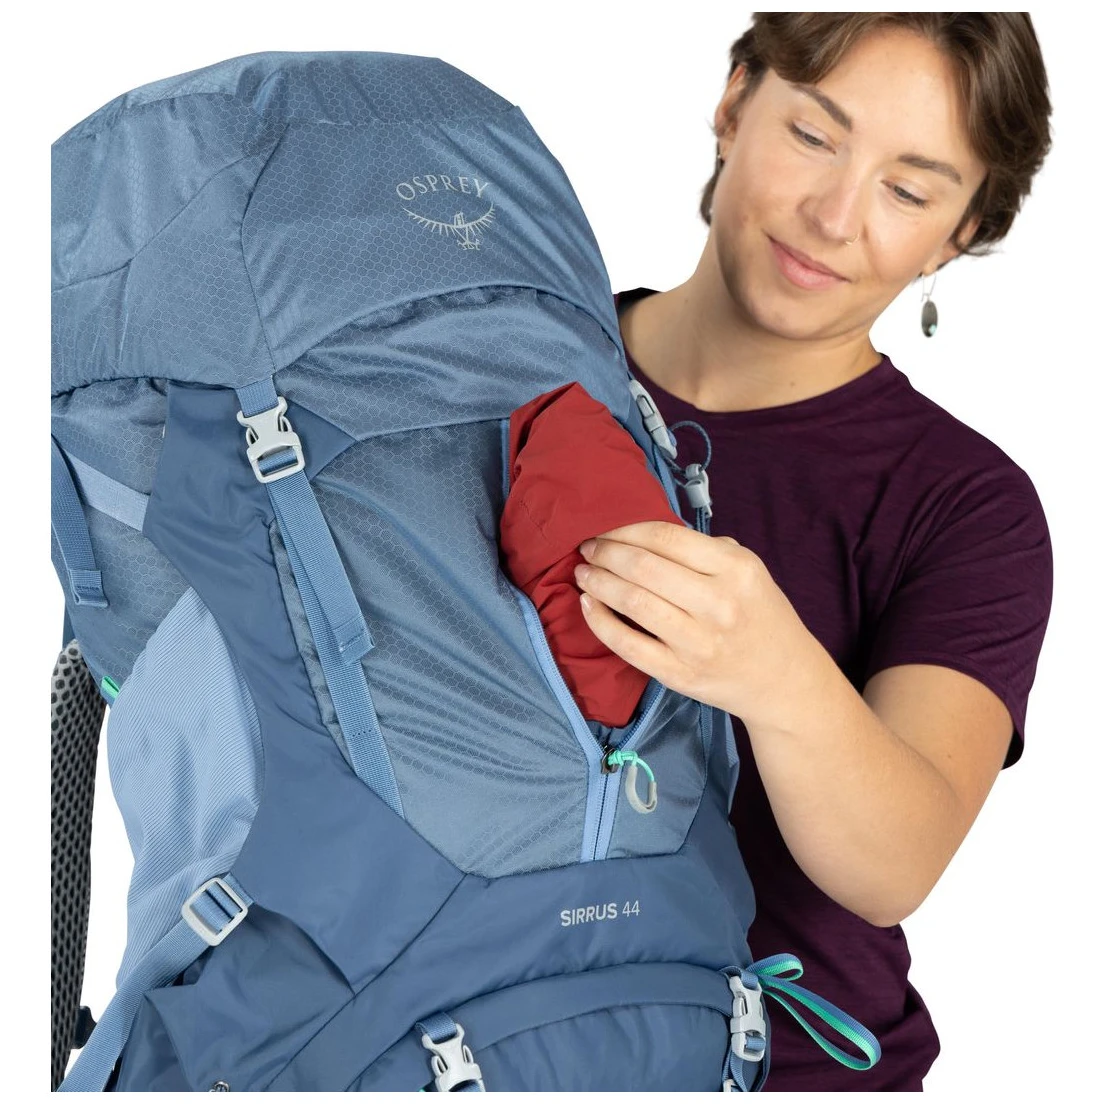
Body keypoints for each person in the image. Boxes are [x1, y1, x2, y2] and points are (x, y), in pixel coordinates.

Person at [572, 13, 1054, 1092]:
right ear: (735, 102)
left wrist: (777, 675)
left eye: (909, 191)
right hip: (471, 1049)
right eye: (813, 136)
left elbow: (893, 864)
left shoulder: (965, 506)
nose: (834, 218)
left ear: (961, 235)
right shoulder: (502, 380)